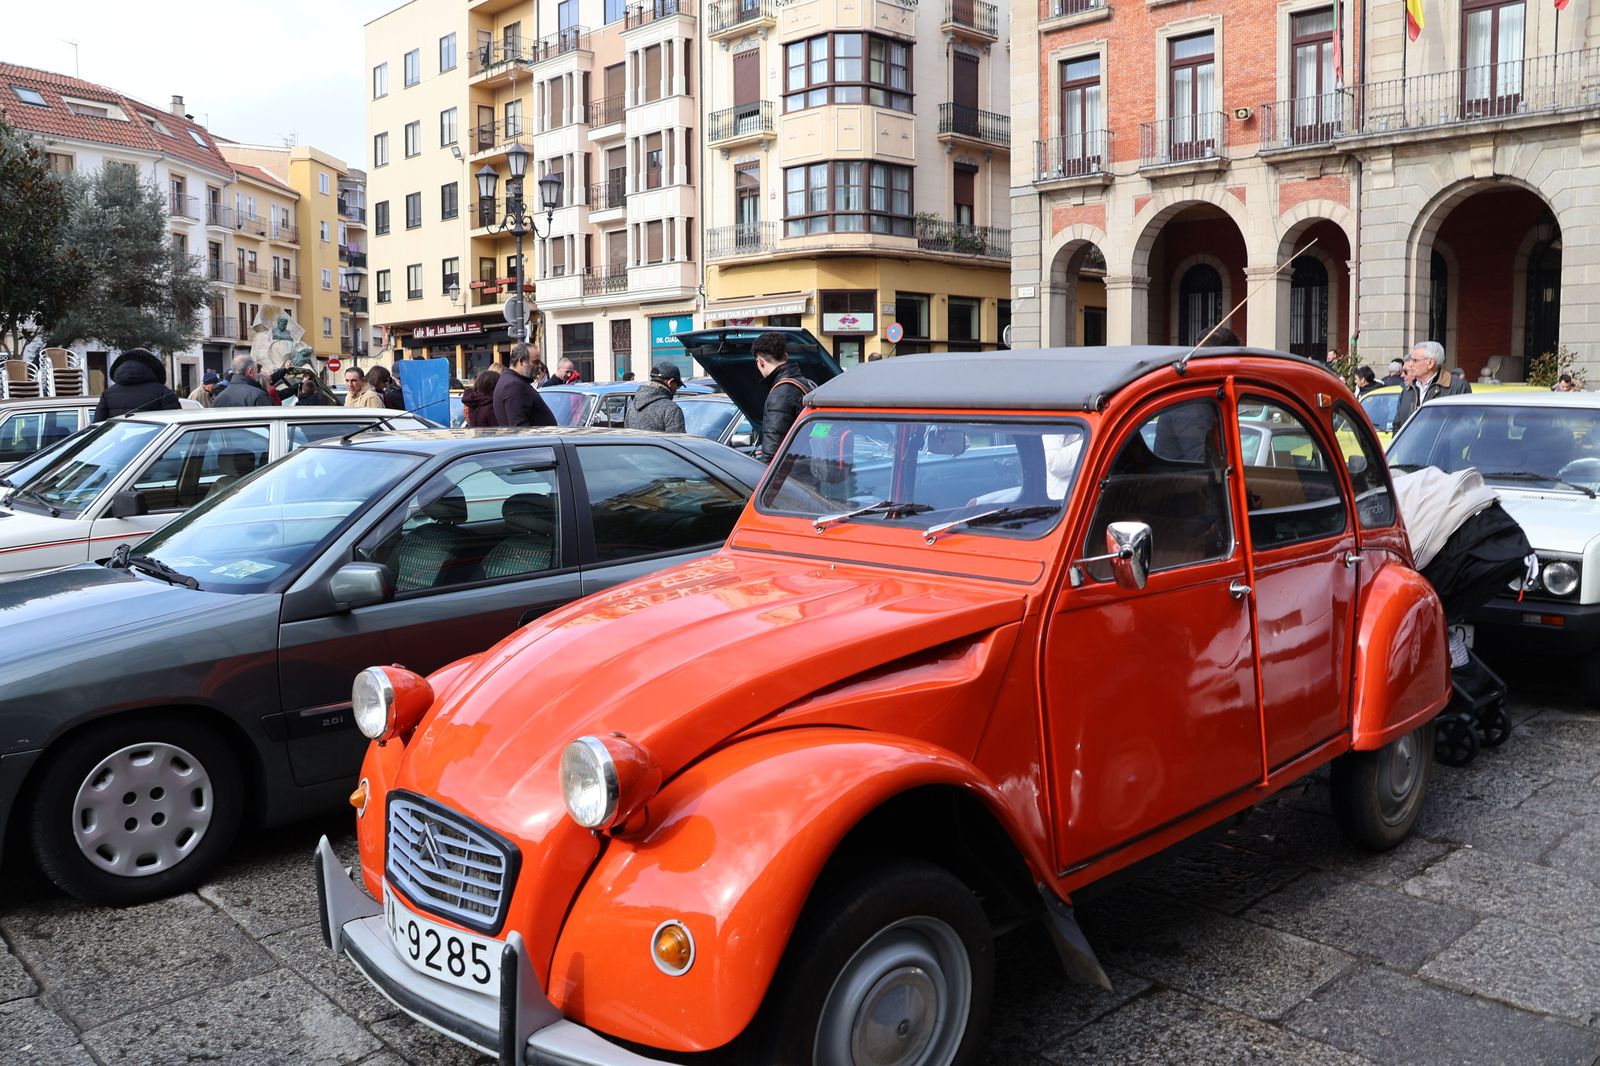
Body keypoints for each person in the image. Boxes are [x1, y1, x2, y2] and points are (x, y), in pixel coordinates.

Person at [753, 331, 816, 461]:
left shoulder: (779, 395)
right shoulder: (808, 384)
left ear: (760, 362)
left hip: (792, 476)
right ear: (786, 356)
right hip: (811, 468)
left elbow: (772, 454)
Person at [1393, 340, 1471, 431]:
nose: (1411, 365)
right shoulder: (1409, 388)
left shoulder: (1457, 386)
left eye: (1415, 360)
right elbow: (1397, 425)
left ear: (1430, 363)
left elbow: (1464, 426)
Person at [93, 348, 181, 420]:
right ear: (153, 364)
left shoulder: (108, 393)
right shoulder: (163, 393)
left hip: (117, 441)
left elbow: (98, 426)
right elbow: (177, 423)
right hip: (153, 441)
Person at [493, 343, 557, 427]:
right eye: (535, 362)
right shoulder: (514, 385)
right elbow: (520, 428)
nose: (539, 366)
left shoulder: (511, 381)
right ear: (521, 361)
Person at [625, 361, 687, 433]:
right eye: (677, 385)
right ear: (670, 382)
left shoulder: (631, 407)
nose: (676, 389)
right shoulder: (671, 409)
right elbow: (679, 442)